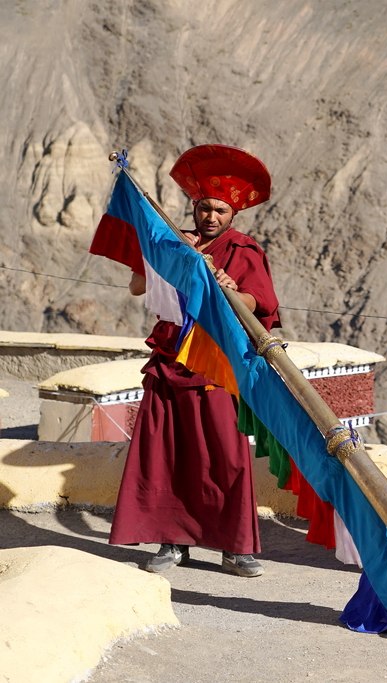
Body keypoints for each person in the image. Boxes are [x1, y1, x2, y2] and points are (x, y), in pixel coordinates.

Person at [108, 144, 280, 578]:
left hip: (216, 365)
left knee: (226, 456)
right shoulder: (178, 242)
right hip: (170, 362)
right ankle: (172, 541)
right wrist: (170, 255)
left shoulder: (244, 250)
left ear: (233, 215)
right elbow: (136, 286)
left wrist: (224, 285)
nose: (211, 217)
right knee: (170, 454)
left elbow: (257, 305)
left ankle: (236, 547)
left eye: (220, 211)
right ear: (194, 206)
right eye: (205, 208)